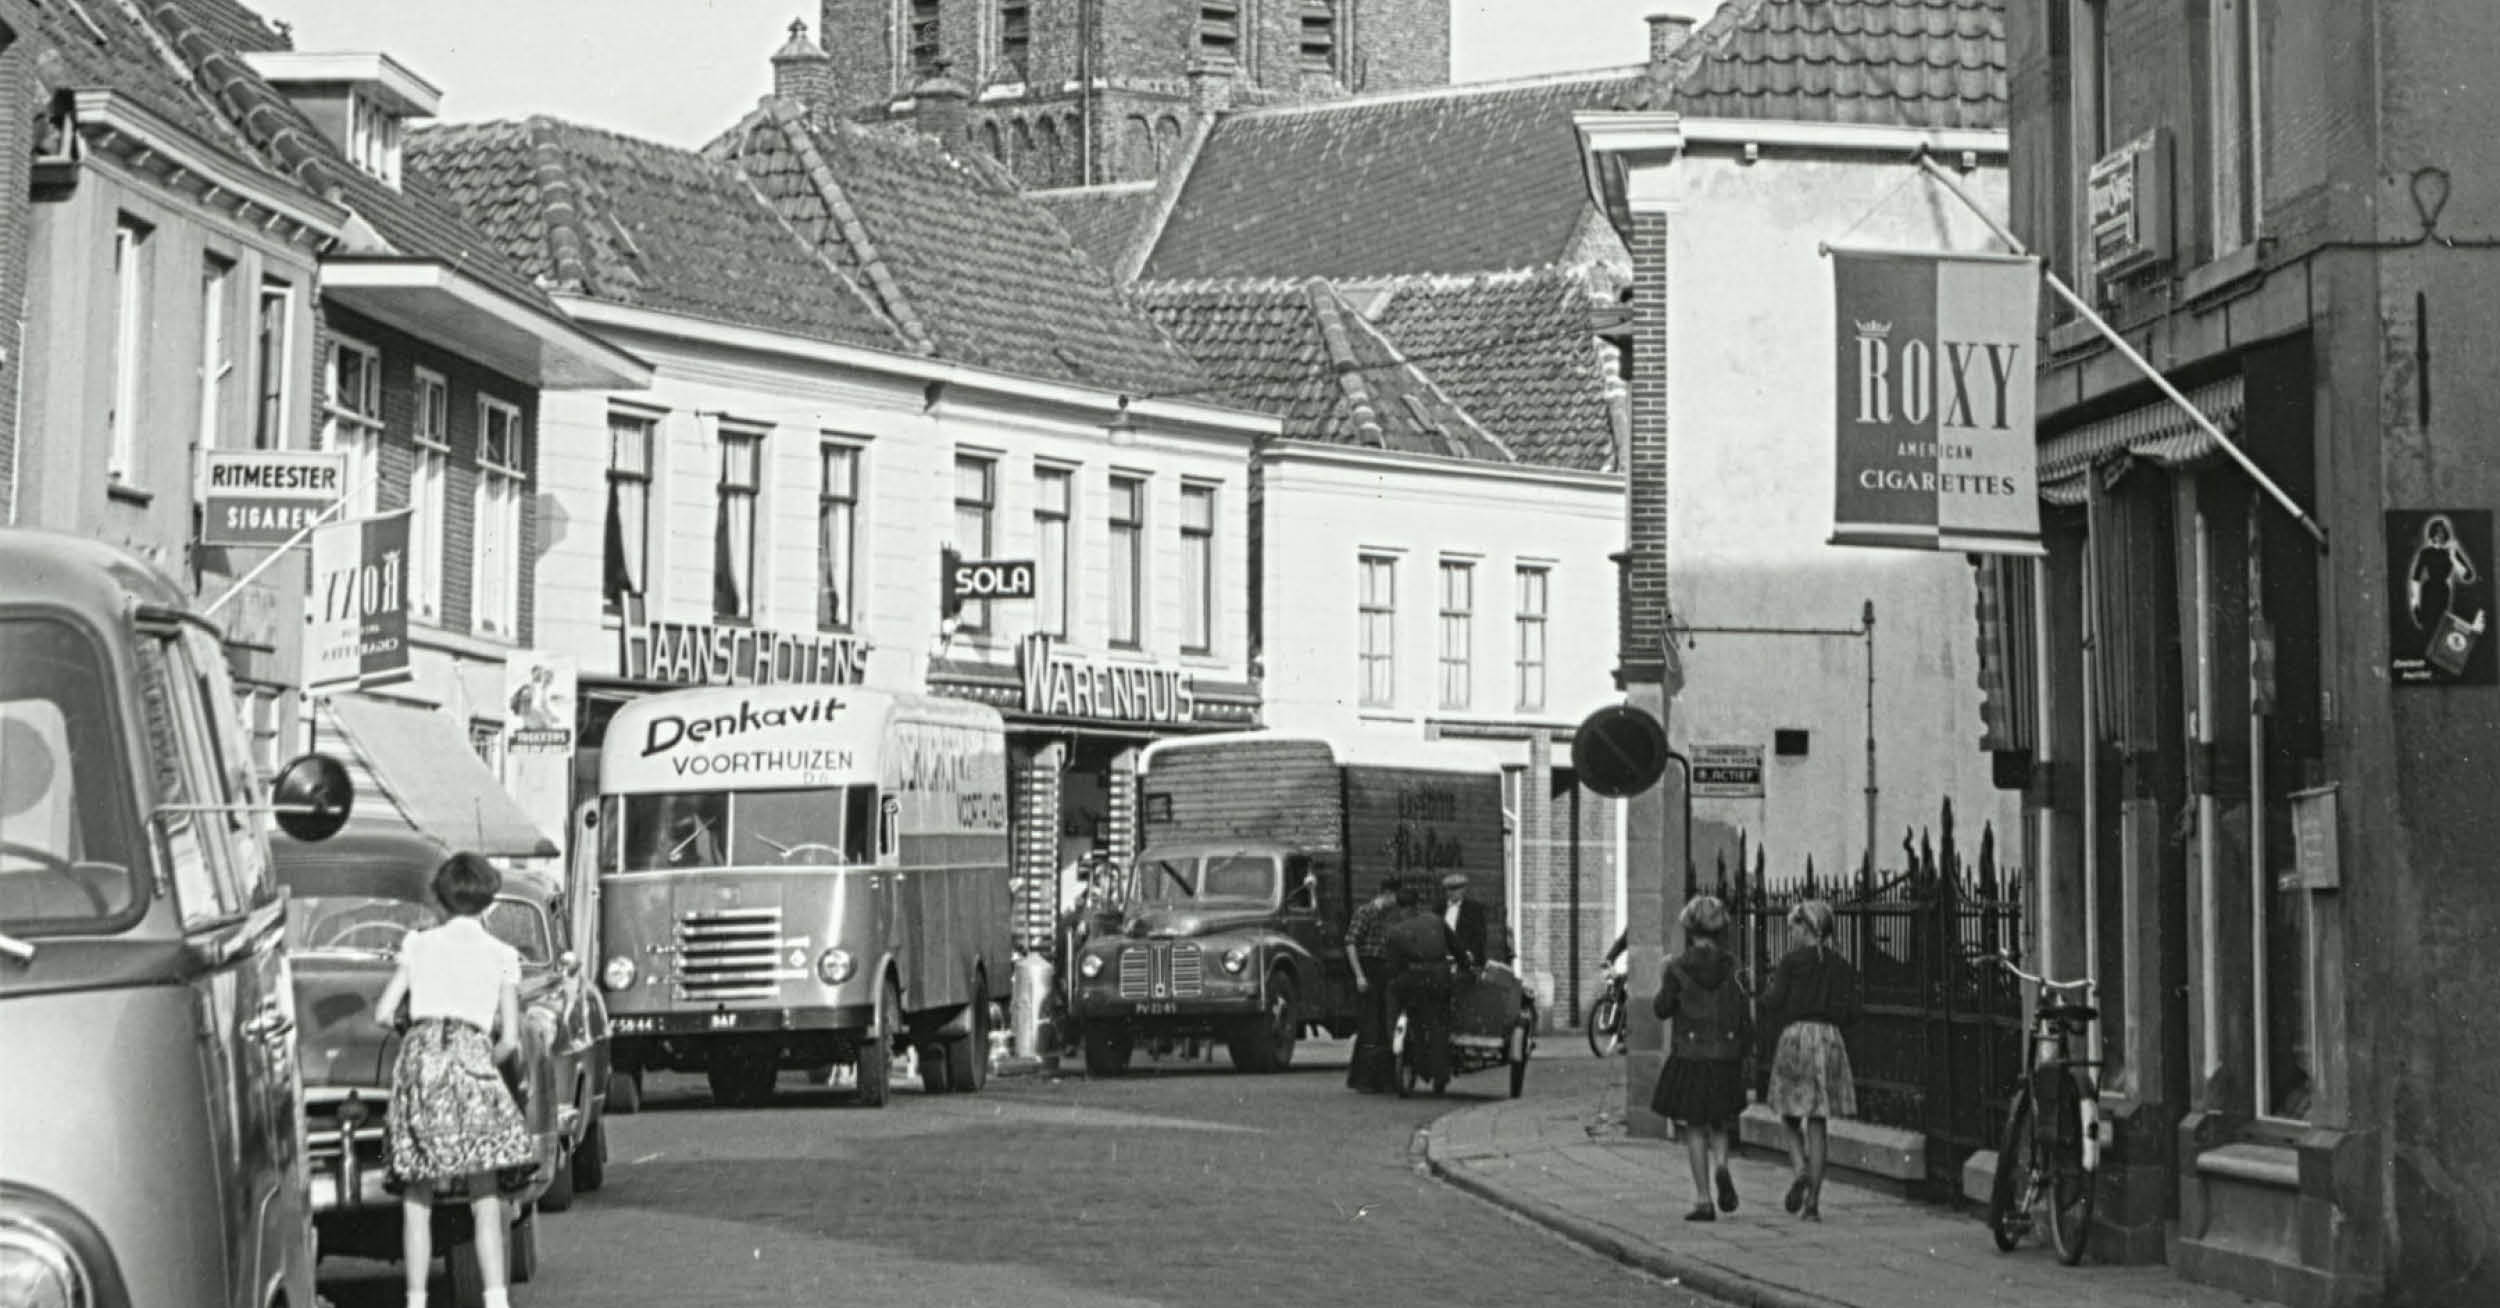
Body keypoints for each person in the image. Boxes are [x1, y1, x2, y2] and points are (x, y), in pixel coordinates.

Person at [373, 852, 535, 1308]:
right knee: (485, 1195)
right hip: (473, 1061)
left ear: (441, 898)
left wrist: (414, 1030)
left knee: (417, 1194)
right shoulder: (502, 955)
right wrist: (480, 1057)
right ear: (488, 901)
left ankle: (417, 1299)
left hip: (422, 1061)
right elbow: (510, 1039)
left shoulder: (417, 944)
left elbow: (383, 1012)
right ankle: (496, 1298)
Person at [1650, 894, 1751, 1222]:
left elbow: (1662, 1009)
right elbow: (1742, 1012)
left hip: (1691, 1055)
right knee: (1719, 1121)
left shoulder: (1678, 967)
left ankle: (1704, 1199)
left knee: (1694, 1127)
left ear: (1690, 928)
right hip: (1724, 1054)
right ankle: (1722, 1165)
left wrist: (1664, 976)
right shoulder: (1733, 966)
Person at [1763, 898, 1861, 1221]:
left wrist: (1763, 994)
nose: (1790, 932)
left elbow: (1774, 1001)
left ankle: (1800, 1169)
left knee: (1789, 1115)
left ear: (1806, 928)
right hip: (1830, 1040)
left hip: (1796, 1039)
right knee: (1818, 1122)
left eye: (1793, 926)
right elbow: (1851, 1012)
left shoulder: (1791, 962)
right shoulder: (1841, 965)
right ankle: (1813, 1204)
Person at [1383, 878, 1460, 1085]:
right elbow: (1457, 949)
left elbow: (1392, 967)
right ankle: (1441, 1074)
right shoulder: (1436, 921)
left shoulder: (1395, 932)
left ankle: (1393, 1039)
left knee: (1392, 994)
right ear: (1417, 905)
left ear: (1400, 908)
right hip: (1439, 980)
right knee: (1439, 1022)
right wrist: (1466, 966)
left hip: (1412, 982)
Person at [1342, 881, 1400, 1093]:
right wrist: (1359, 975)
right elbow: (1350, 943)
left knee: (1381, 1025)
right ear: (1386, 894)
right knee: (1369, 1027)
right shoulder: (1365, 912)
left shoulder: (1386, 916)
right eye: (1394, 897)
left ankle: (1379, 1079)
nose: (1396, 902)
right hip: (1368, 968)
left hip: (1381, 970)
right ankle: (1363, 1080)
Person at [1439, 870, 1490, 970]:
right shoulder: (1439, 908)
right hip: (1444, 960)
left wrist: (1471, 954)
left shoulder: (1474, 909)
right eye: (1449, 889)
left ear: (1463, 890)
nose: (1451, 892)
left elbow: (1480, 935)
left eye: (1455, 889)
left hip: (1466, 959)